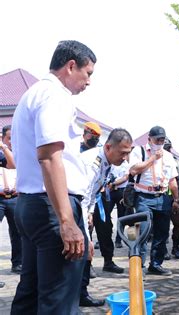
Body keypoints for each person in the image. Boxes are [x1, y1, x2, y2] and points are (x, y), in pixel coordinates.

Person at [11, 40, 96, 314]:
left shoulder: (34, 93)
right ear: (71, 66)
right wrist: (67, 221)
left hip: (33, 204)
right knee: (59, 302)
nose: (89, 82)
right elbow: (49, 156)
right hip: (51, 207)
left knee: (31, 295)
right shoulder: (55, 96)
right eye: (88, 73)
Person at [78, 128, 132, 307]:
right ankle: (74, 296)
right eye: (122, 152)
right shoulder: (92, 162)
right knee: (83, 250)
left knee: (85, 252)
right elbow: (82, 195)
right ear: (108, 147)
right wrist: (85, 232)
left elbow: (93, 193)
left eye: (128, 153)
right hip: (72, 207)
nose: (125, 157)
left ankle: (80, 294)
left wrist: (91, 213)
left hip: (85, 207)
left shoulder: (107, 162)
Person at [129, 126, 179, 276]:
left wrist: (176, 199)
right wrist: (153, 158)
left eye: (162, 139)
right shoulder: (139, 151)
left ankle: (156, 264)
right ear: (149, 138)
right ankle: (139, 267)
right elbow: (133, 170)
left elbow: (172, 180)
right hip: (144, 197)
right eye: (157, 139)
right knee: (142, 232)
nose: (160, 142)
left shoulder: (168, 156)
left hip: (163, 197)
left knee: (162, 233)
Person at [0, 125, 22, 274]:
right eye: (9, 138)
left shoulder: (19, 153)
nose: (11, 142)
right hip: (0, 198)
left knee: (17, 233)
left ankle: (17, 263)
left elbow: (14, 165)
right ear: (3, 138)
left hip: (15, 198)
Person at [108, 158, 130, 249]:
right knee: (105, 215)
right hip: (110, 191)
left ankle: (118, 239)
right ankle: (106, 236)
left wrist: (113, 184)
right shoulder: (110, 162)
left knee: (121, 217)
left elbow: (125, 177)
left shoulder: (126, 164)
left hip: (121, 191)